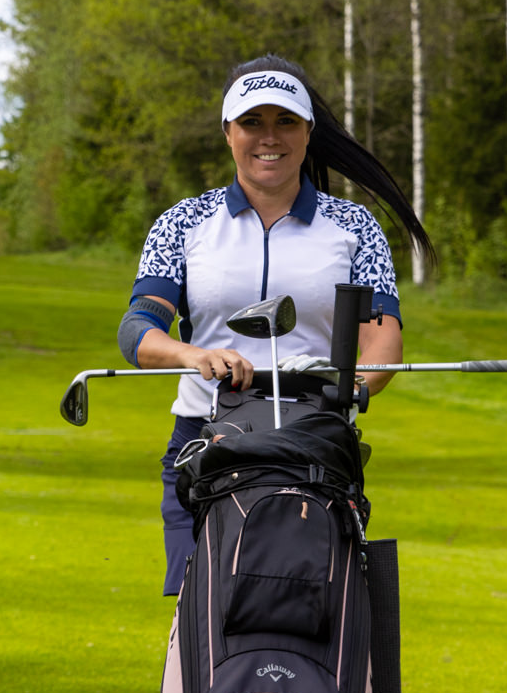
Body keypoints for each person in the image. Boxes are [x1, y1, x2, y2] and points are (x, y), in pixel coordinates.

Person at [120, 55, 432, 596]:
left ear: (308, 132)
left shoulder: (353, 226)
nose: (269, 137)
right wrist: (193, 355)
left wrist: (355, 383)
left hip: (315, 441)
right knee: (205, 612)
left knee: (318, 605)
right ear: (227, 133)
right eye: (252, 122)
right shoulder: (183, 223)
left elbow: (382, 334)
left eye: (285, 121)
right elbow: (138, 329)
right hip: (204, 442)